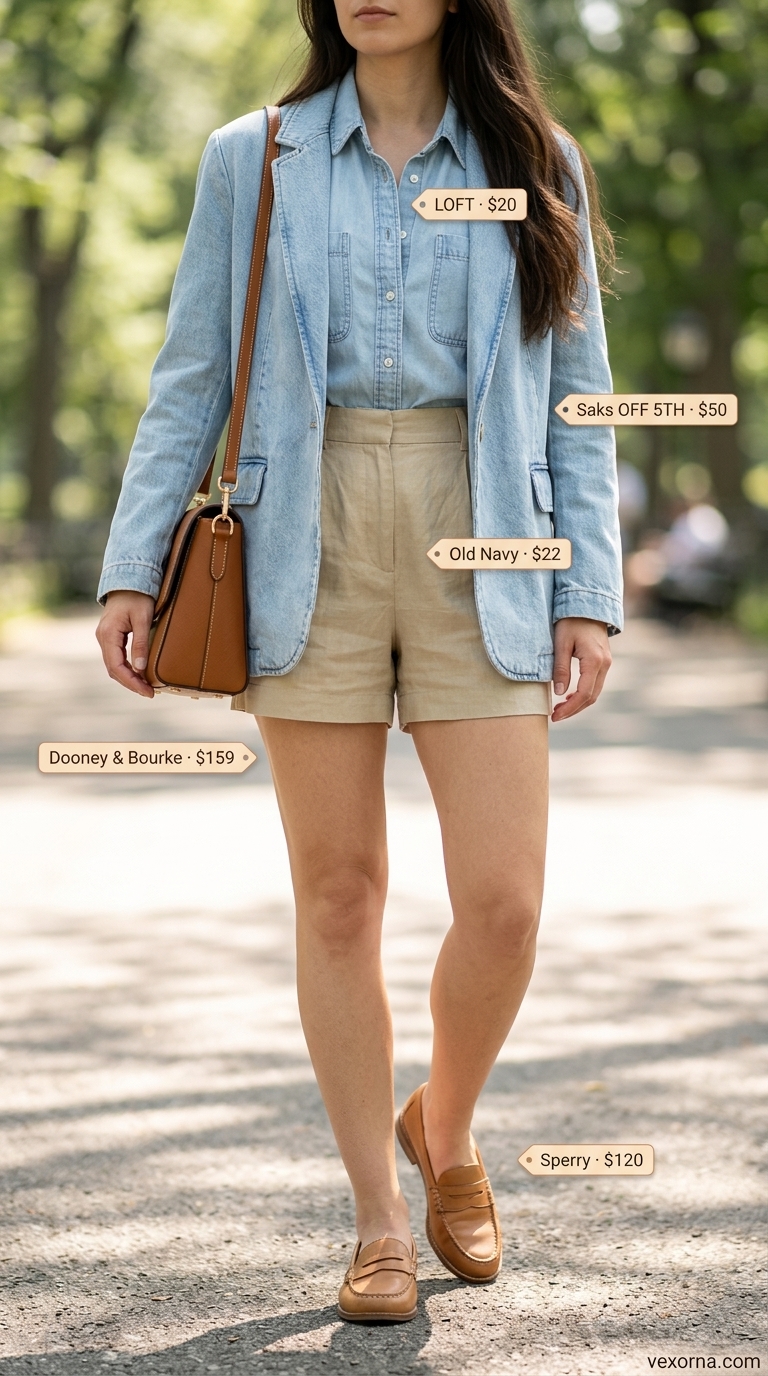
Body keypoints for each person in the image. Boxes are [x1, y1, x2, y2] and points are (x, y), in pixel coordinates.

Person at [96, 0, 622, 1325]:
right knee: (340, 895)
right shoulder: (252, 156)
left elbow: (579, 390)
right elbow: (191, 374)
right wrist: (129, 563)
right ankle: (379, 1221)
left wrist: (591, 589)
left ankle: (442, 1128)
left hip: (490, 524)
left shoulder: (532, 160)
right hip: (300, 528)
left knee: (503, 900)